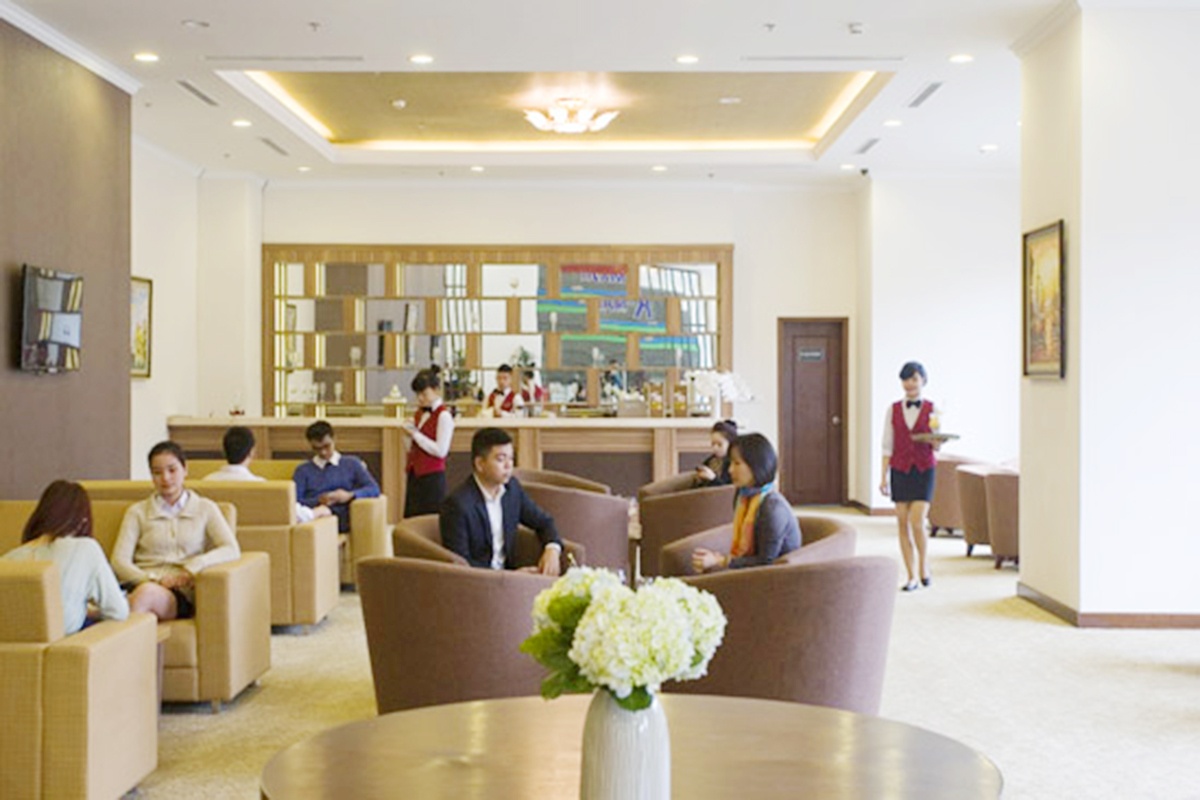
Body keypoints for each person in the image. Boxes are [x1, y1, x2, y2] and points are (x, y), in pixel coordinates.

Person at [111, 441, 241, 621]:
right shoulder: (137, 512)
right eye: (157, 472)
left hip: (178, 593)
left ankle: (118, 620)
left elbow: (231, 548)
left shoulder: (205, 508)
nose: (165, 478)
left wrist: (193, 567)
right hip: (140, 583)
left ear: (185, 469)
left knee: (144, 595)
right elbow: (119, 561)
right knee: (141, 593)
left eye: (172, 470)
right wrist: (151, 579)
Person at [2, 480, 129, 634]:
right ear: (82, 520)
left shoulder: (9, 559)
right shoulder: (86, 548)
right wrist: (89, 611)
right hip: (66, 640)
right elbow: (118, 611)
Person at [440, 427, 563, 574]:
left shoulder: (512, 490)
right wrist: (509, 577)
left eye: (511, 458)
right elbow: (460, 564)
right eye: (501, 459)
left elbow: (544, 521)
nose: (508, 465)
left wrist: (552, 549)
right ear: (480, 464)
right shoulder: (457, 505)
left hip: (511, 575)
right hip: (478, 582)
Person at [692, 433, 800, 572]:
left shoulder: (772, 508)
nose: (730, 470)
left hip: (775, 577)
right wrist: (718, 559)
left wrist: (721, 561)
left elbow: (766, 562)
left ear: (757, 466)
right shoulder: (742, 495)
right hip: (748, 570)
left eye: (737, 463)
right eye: (730, 463)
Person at [879, 361, 939, 592]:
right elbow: (887, 445)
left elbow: (937, 444)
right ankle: (911, 576)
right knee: (902, 522)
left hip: (924, 469)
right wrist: (883, 476)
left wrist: (936, 440)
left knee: (917, 521)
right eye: (906, 379)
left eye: (914, 379)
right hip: (900, 469)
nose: (910, 384)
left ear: (923, 380)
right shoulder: (893, 409)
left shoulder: (932, 409)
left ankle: (923, 565)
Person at [204, 426, 331, 522]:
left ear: (224, 452)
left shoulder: (205, 484)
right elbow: (294, 514)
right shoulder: (263, 487)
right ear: (252, 452)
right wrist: (319, 511)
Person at [294, 420, 382, 532]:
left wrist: (349, 495)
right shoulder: (302, 470)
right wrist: (318, 500)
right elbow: (294, 501)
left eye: (326, 446)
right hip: (313, 514)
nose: (323, 452)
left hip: (343, 513)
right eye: (317, 449)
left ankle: (317, 516)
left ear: (334, 439)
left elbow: (374, 489)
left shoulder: (352, 464)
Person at [402, 367, 455, 517]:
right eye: (418, 394)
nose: (420, 398)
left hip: (432, 477)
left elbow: (441, 450)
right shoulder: (419, 413)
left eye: (424, 394)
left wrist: (415, 434)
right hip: (415, 474)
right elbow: (413, 447)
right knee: (412, 521)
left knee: (430, 521)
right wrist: (407, 435)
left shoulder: (444, 416)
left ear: (436, 390)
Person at [695, 419, 738, 487]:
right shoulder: (712, 459)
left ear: (731, 444)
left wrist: (713, 478)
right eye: (713, 444)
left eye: (719, 444)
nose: (715, 448)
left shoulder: (732, 464)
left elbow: (728, 489)